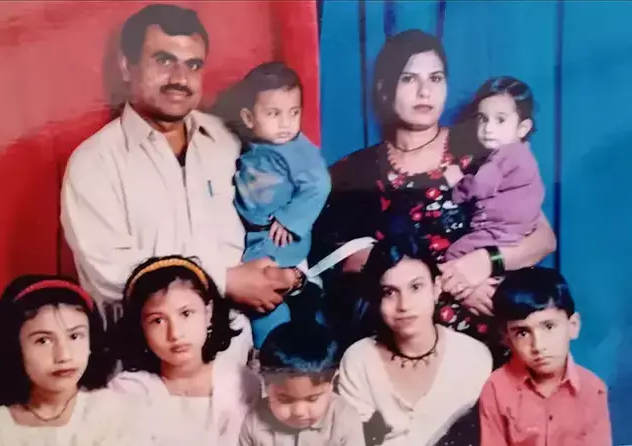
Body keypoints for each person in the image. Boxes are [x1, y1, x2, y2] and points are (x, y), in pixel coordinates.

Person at [60, 4, 299, 350]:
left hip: (243, 358)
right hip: (144, 362)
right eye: (164, 61)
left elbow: (278, 212)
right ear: (127, 67)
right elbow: (111, 275)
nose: (180, 78)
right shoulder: (95, 162)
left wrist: (288, 274)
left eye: (193, 65)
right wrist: (224, 281)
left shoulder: (231, 141)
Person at [313, 29, 556, 354]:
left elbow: (543, 239)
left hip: (488, 340)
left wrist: (485, 261)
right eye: (409, 79)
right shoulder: (355, 172)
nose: (424, 91)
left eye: (436, 78)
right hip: (398, 347)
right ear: (384, 89)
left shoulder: (482, 149)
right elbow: (346, 263)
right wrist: (452, 282)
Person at [213, 61, 330, 348]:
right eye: (274, 113)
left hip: (276, 238)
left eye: (294, 112)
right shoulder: (256, 142)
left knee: (264, 294)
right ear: (249, 118)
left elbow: (320, 184)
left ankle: (273, 350)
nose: (286, 123)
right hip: (253, 234)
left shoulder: (297, 149)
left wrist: (290, 219)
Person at [338, 238, 492, 446]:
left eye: (416, 287)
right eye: (390, 292)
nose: (404, 305)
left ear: (436, 288)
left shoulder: (474, 358)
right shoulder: (358, 360)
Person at [0, 275, 149, 445]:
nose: (64, 356)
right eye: (43, 340)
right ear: (14, 346)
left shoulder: (119, 413)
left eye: (75, 336)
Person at [110, 256, 261, 446]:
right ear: (141, 328)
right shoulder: (128, 392)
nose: (175, 333)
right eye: (158, 320)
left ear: (208, 313)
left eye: (186, 313)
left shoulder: (242, 384)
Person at [479, 267, 612, 446]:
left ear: (573, 326)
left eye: (549, 327)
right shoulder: (496, 388)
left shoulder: (593, 390)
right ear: (508, 339)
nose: (538, 346)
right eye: (522, 333)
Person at [443, 76, 545, 261]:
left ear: (523, 128)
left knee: (454, 253)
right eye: (483, 119)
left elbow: (480, 186)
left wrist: (458, 183)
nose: (488, 128)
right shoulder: (523, 153)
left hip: (499, 231)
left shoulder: (505, 155)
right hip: (515, 231)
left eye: (500, 120)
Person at [239, 320, 365, 446]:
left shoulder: (345, 418)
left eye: (312, 399)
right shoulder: (253, 423)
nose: (299, 412)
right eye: (284, 399)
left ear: (333, 382)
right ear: (265, 383)